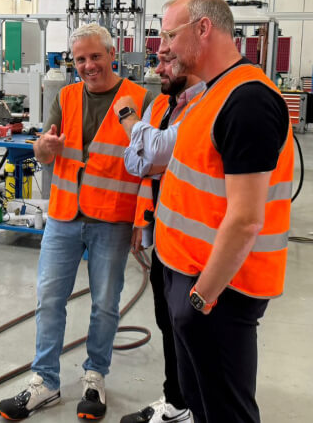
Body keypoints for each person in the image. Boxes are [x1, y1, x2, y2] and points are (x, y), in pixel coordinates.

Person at [0, 23, 155, 421]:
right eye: (80, 59)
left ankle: (95, 376)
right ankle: (45, 380)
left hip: (113, 219)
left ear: (112, 55)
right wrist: (43, 148)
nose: (88, 65)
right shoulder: (65, 97)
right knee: (49, 298)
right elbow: (42, 152)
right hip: (64, 216)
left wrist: (142, 220)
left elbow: (150, 167)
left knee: (105, 304)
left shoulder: (140, 99)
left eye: (95, 56)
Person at [156, 0, 293, 423]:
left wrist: (201, 298)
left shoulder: (248, 101)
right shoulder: (211, 92)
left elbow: (246, 218)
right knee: (202, 405)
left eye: (169, 35)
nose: (164, 47)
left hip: (221, 292)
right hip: (190, 276)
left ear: (203, 28)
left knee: (227, 413)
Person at [112, 46, 204, 423]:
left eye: (167, 61)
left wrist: (131, 122)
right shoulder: (162, 106)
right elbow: (137, 163)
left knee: (197, 333)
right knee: (168, 322)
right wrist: (142, 220)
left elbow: (156, 151)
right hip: (166, 235)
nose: (158, 69)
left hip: (198, 244)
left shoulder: (205, 106)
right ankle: (176, 403)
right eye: (157, 61)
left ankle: (198, 407)